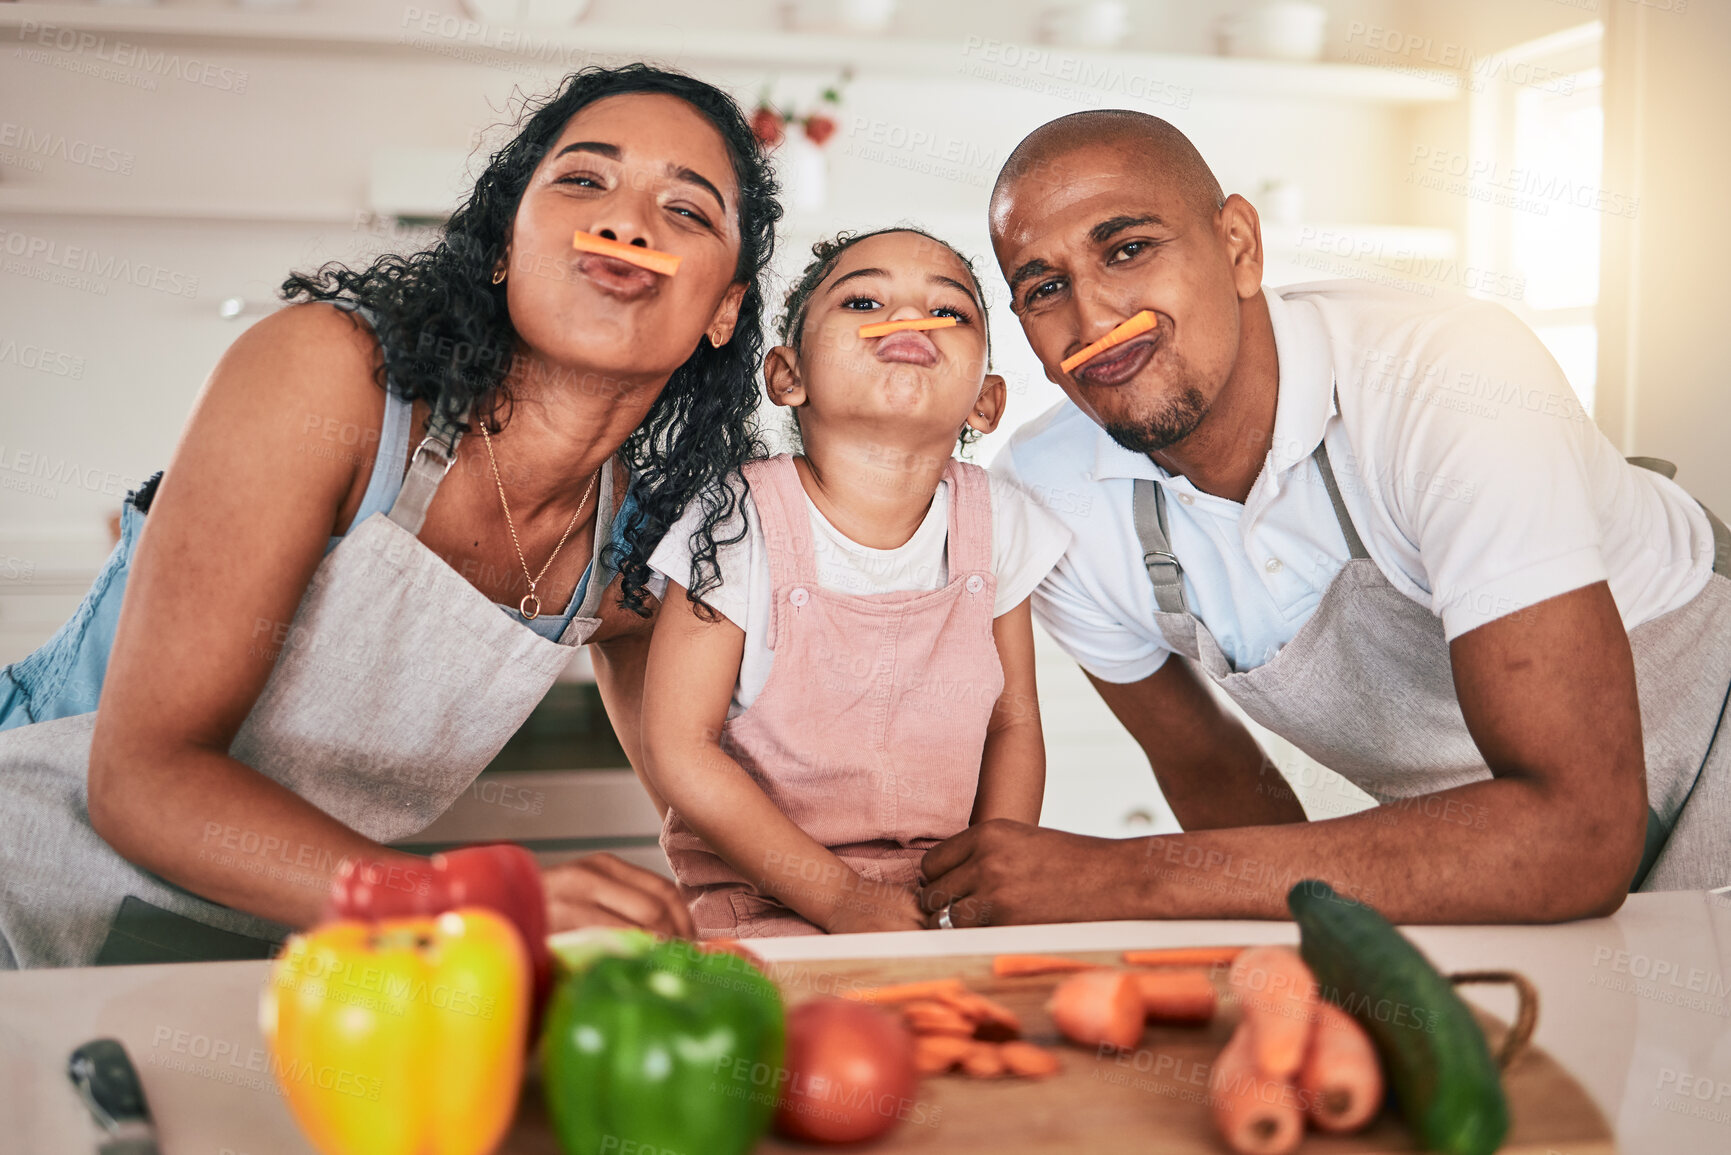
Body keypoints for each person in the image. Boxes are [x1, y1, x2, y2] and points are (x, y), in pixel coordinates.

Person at [0, 64, 786, 967]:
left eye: (685, 210)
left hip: (259, 954)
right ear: (501, 247)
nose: (627, 222)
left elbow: (710, 823)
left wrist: (843, 922)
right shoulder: (327, 378)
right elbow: (143, 782)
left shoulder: (631, 559)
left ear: (723, 311)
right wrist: (463, 901)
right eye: (582, 180)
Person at [917, 110, 1731, 929]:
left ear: (1238, 245)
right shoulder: (1049, 492)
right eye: (1044, 288)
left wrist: (1121, 879)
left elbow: (1577, 835)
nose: (1092, 320)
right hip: (1496, 856)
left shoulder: (1447, 379)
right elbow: (1212, 779)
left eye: (1127, 249)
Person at [641, 228, 1069, 936]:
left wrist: (991, 885)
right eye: (864, 299)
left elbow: (1013, 720)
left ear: (984, 403)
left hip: (943, 899)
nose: (908, 319)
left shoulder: (997, 519)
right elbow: (680, 747)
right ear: (787, 376)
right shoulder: (733, 517)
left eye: (948, 312)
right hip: (764, 900)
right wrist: (840, 899)